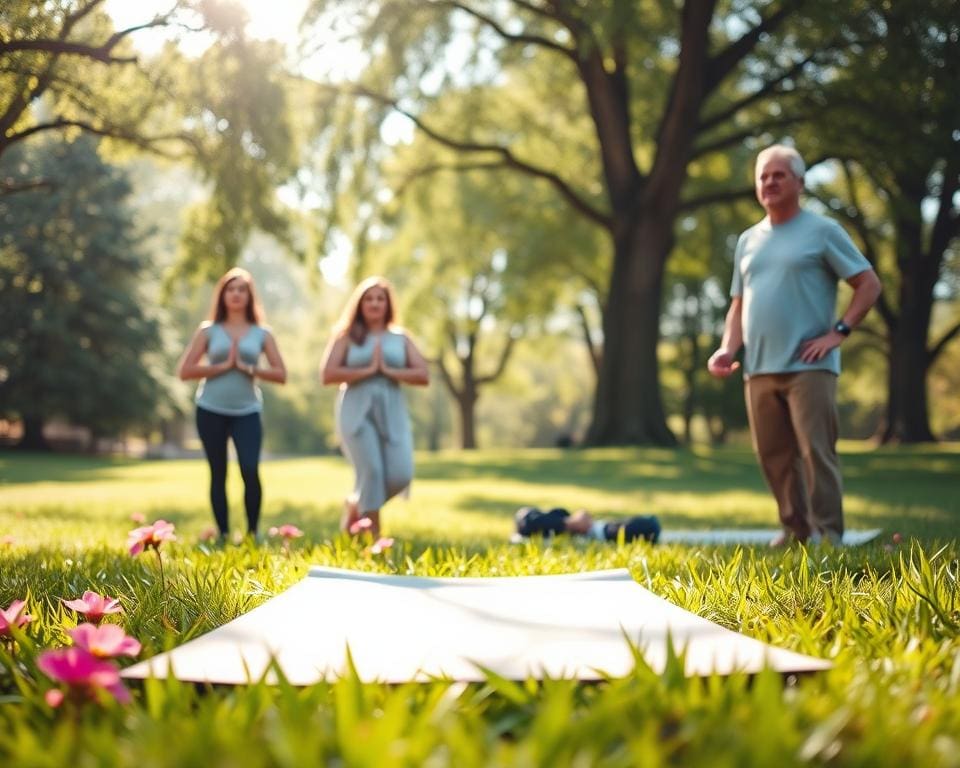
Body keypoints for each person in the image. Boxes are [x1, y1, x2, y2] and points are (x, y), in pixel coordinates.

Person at [707, 144, 881, 546]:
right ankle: (795, 529)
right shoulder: (748, 240)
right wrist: (727, 349)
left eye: (779, 174)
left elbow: (868, 284)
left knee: (815, 453)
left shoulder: (823, 232)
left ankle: (829, 533)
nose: (769, 182)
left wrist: (839, 331)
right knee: (774, 455)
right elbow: (739, 304)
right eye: (763, 176)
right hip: (759, 367)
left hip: (809, 366)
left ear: (800, 183)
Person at [177, 268, 287, 541]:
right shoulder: (208, 331)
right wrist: (223, 366)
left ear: (250, 296)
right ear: (223, 295)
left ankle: (252, 533)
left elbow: (281, 374)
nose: (236, 294)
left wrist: (249, 369)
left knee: (250, 468)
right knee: (218, 472)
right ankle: (224, 534)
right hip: (210, 409)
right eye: (231, 289)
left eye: (242, 290)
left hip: (247, 411)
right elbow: (185, 371)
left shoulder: (262, 333)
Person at [320, 276, 429, 537]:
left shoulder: (400, 338)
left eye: (380, 298)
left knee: (401, 474)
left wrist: (389, 371)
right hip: (356, 412)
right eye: (369, 298)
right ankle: (373, 542)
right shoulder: (346, 336)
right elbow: (327, 374)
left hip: (392, 412)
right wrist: (367, 370)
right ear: (360, 303)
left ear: (388, 304)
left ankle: (356, 505)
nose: (375, 303)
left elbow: (423, 375)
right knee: (373, 472)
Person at [514, 506, 661, 544]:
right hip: (600, 532)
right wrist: (572, 523)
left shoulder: (554, 519)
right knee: (650, 526)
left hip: (596, 528)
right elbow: (526, 520)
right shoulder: (532, 524)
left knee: (649, 524)